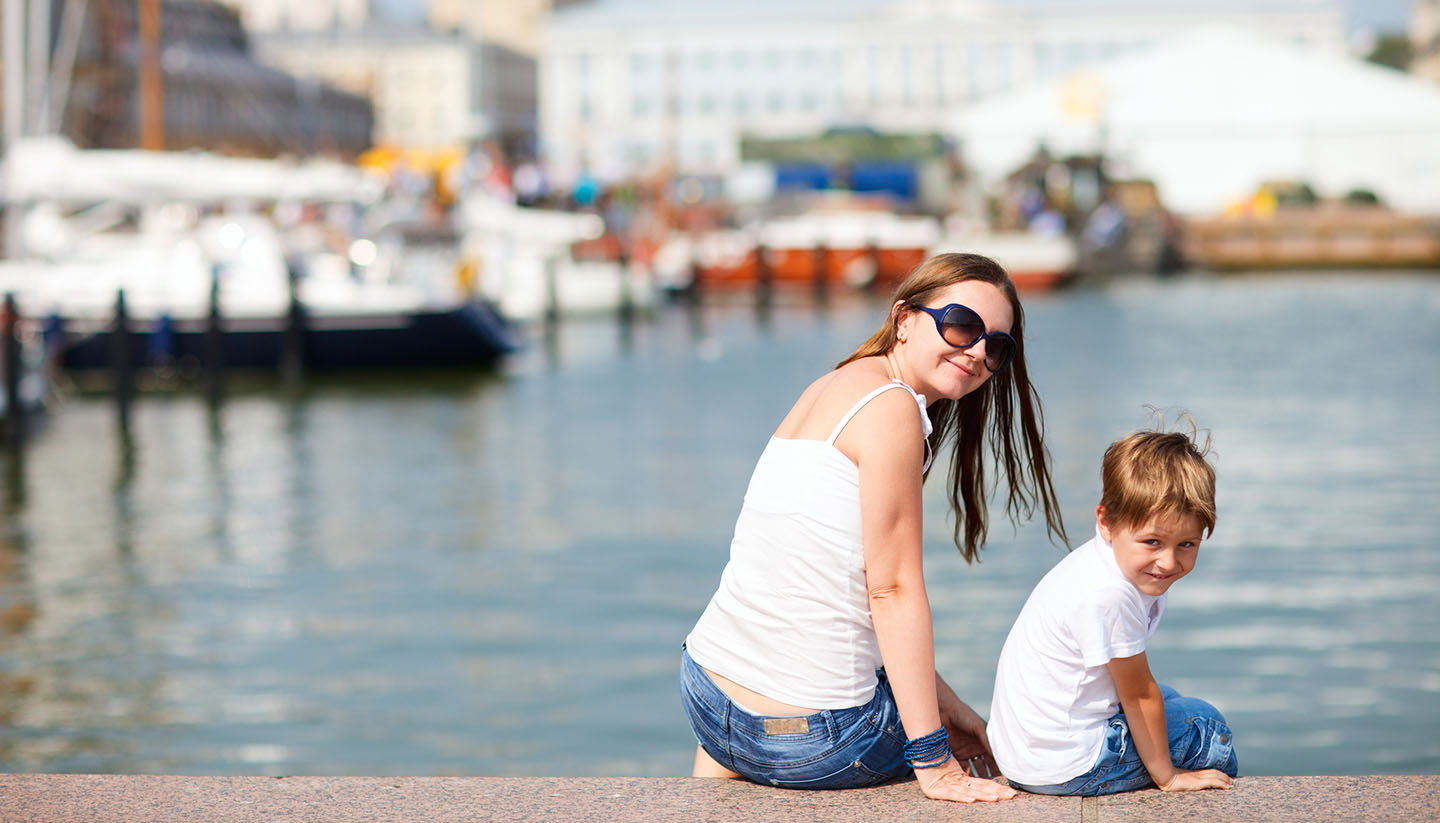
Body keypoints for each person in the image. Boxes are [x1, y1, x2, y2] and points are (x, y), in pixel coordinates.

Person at [679, 253, 1067, 803]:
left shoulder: (835, 384)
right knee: (1039, 754)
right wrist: (933, 761)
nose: (977, 351)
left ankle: (722, 778)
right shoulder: (892, 410)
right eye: (962, 325)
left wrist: (946, 704)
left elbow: (818, 581)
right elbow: (890, 591)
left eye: (996, 346)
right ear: (904, 319)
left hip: (707, 696)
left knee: (919, 696)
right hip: (814, 739)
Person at [987, 422, 1239, 796]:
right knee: (1205, 724)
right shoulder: (1110, 594)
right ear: (1106, 521)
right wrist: (1168, 777)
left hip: (1028, 751)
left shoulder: (1100, 561)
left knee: (1170, 698)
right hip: (1067, 765)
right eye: (1152, 542)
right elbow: (1138, 695)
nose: (1168, 562)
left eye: (1187, 544)